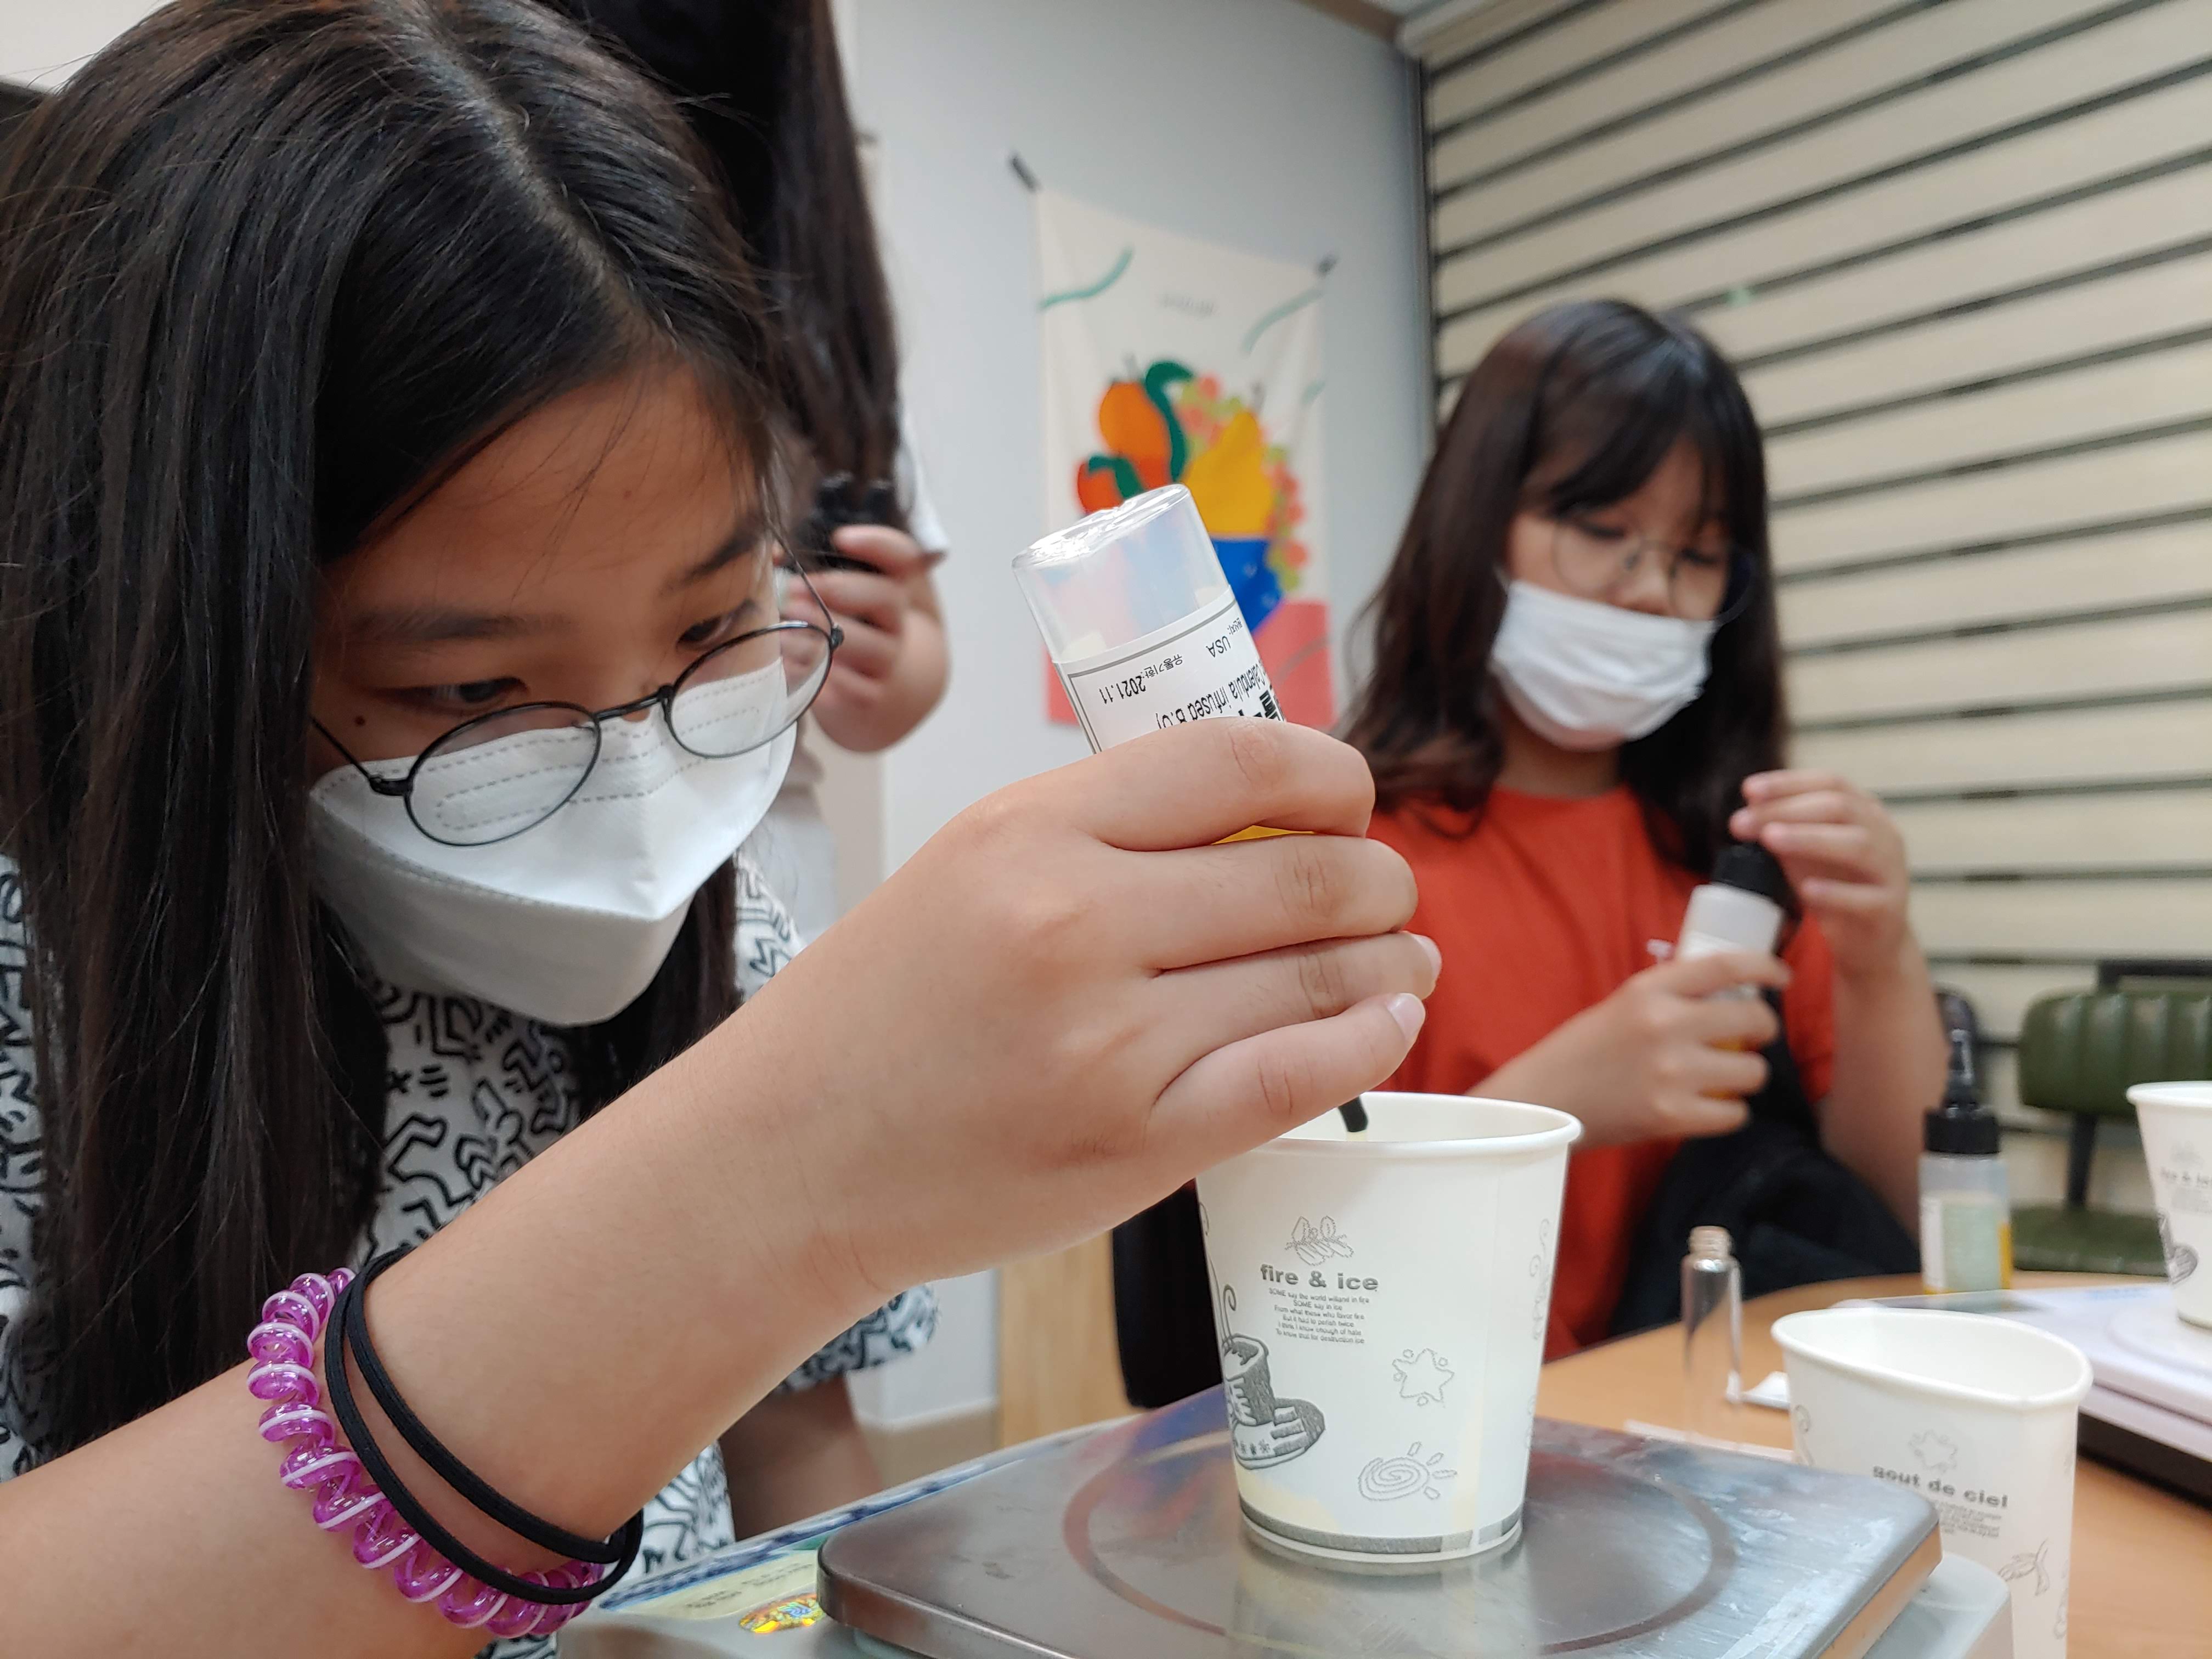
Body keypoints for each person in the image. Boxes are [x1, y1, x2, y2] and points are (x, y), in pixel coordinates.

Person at [0, 5, 1434, 1655]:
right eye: (472, 693)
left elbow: (797, 1492)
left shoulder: (731, 932)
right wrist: (783, 1173)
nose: (632, 782)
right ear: (166, 633)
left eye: (708, 633)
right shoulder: (44, 983)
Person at [1344, 299, 1945, 1358]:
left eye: (1699, 555)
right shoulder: (1350, 862)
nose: (1654, 593)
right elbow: (1303, 1268)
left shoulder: (1748, 861)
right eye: (1602, 532)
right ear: (1474, 525)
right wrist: (1549, 1109)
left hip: (1710, 1429)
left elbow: (1912, 1230)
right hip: (1437, 1419)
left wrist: (1881, 959)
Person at [550, 0, 951, 947]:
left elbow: (920, 638)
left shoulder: (826, 369)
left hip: (766, 861)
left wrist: (880, 664)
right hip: (548, 838)